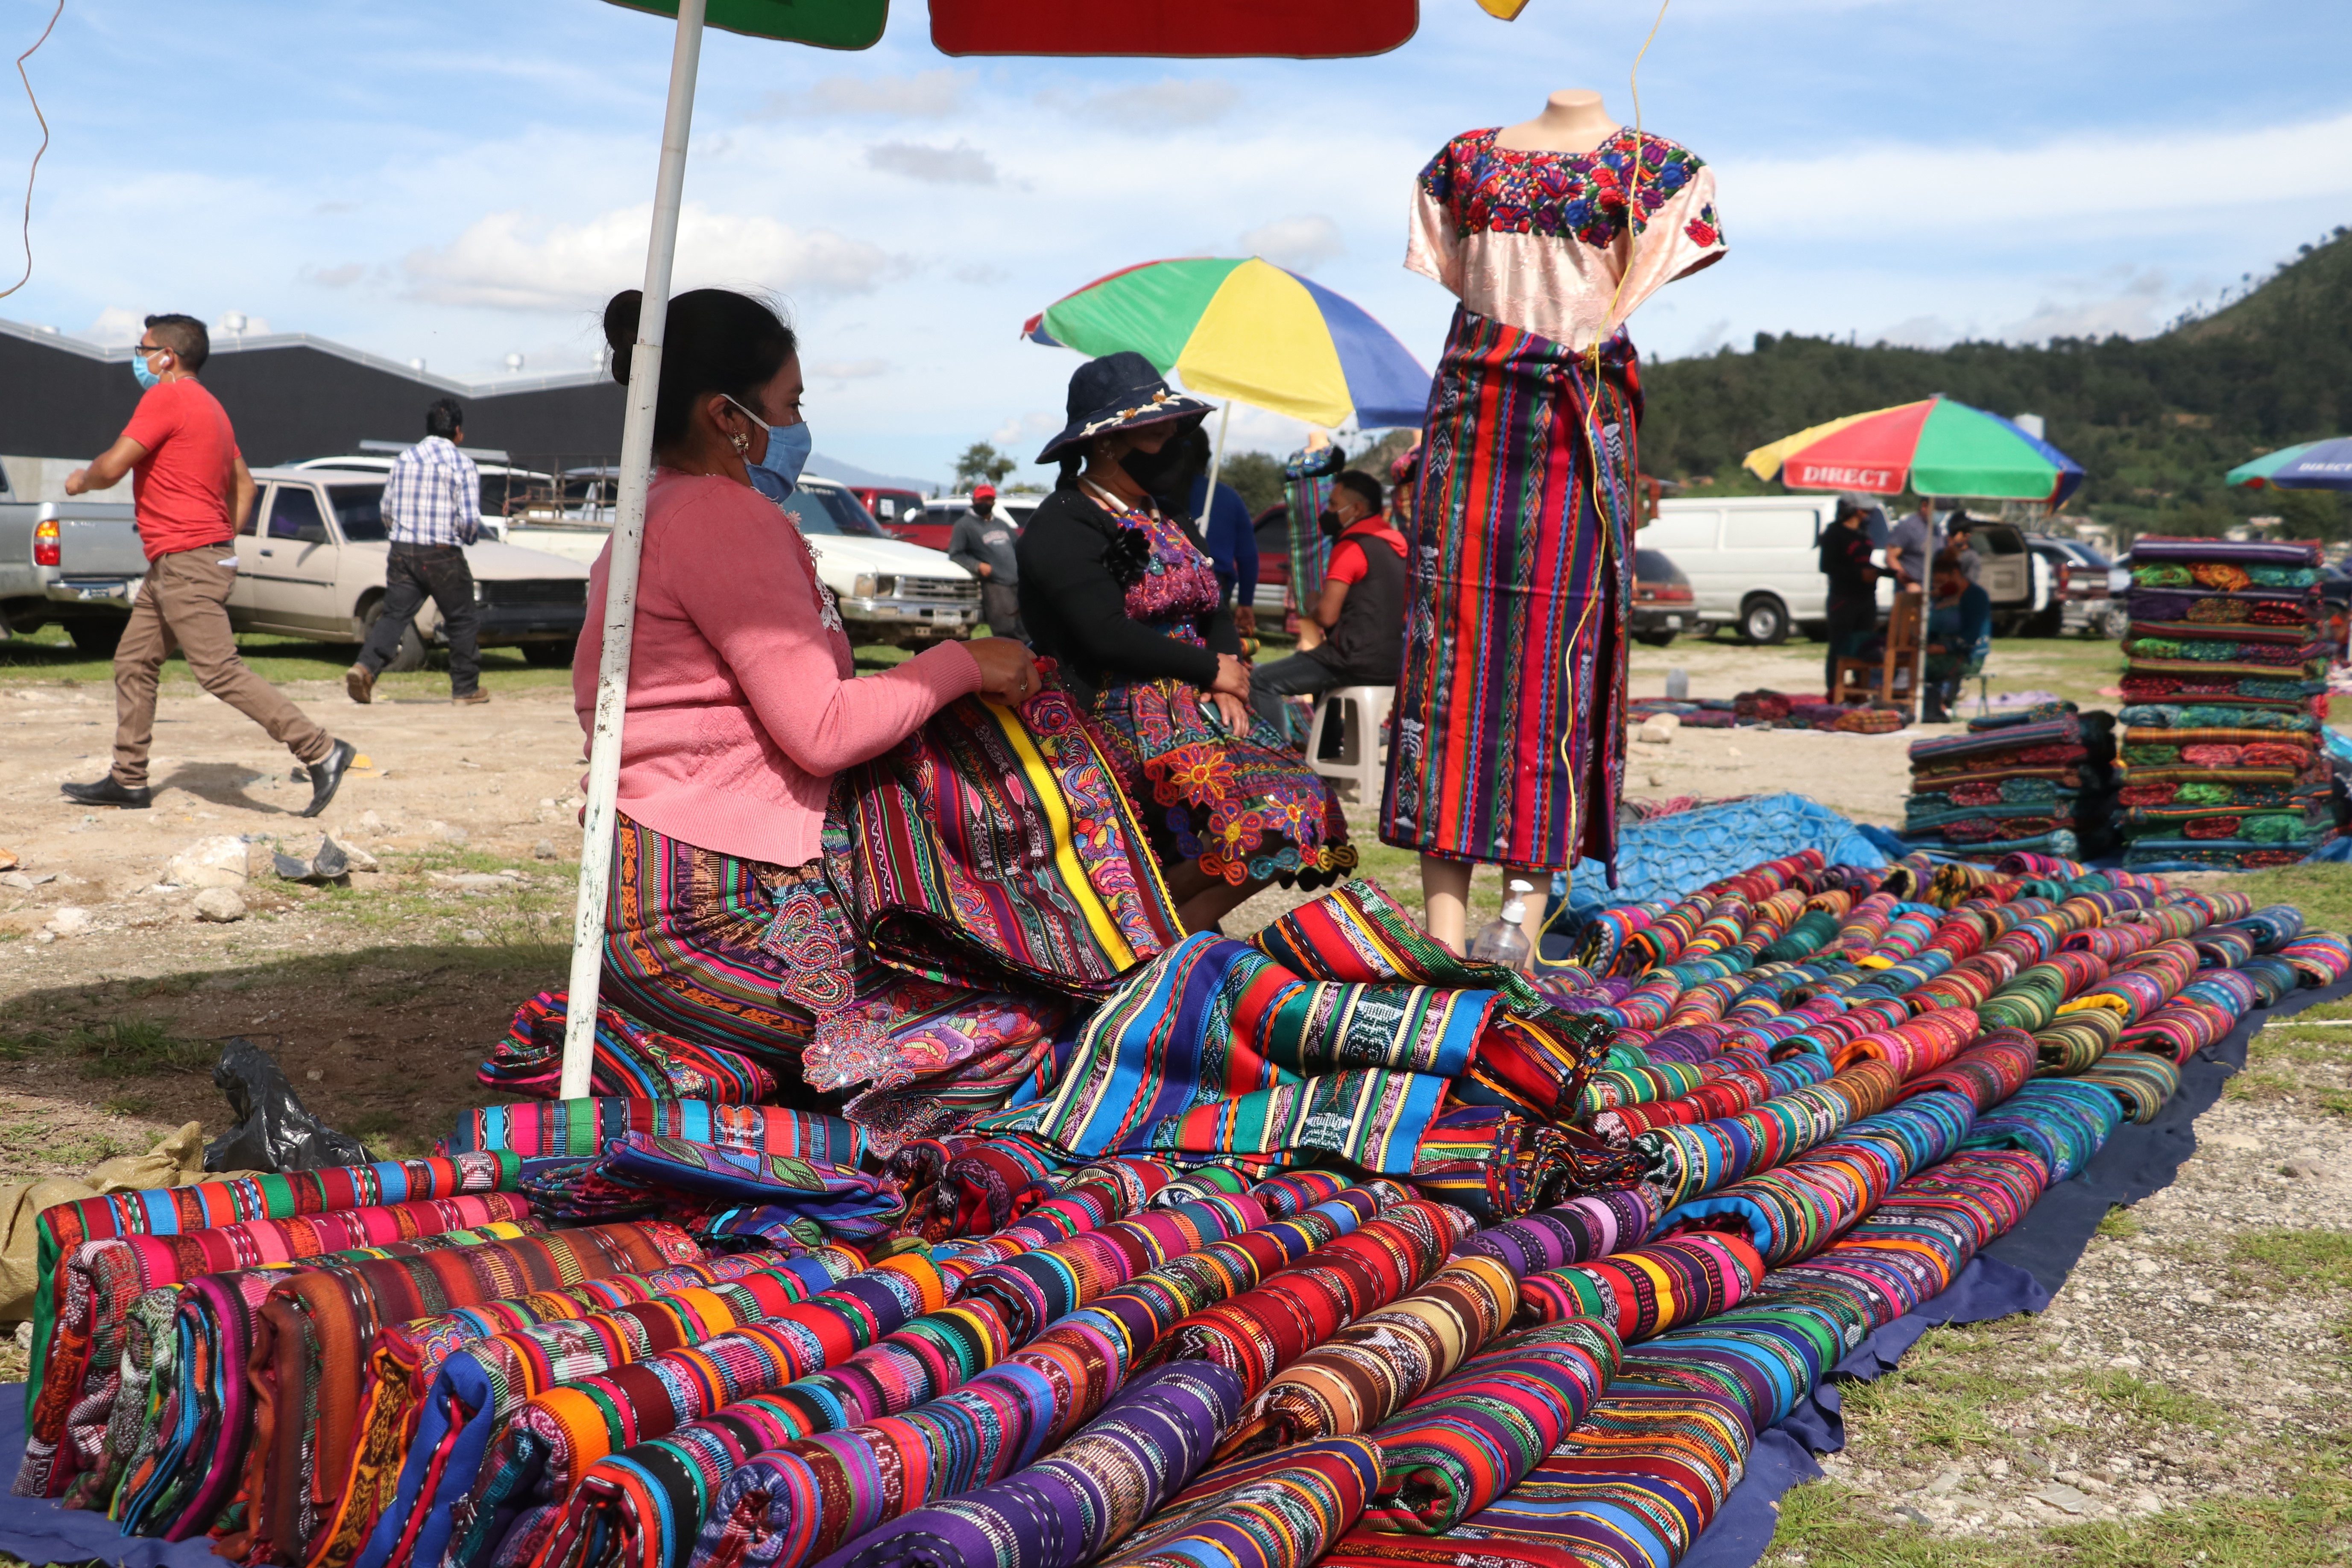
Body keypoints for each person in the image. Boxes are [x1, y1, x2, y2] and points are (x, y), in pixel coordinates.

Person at [580, 287, 1037, 1097]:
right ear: (729, 417)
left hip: (683, 892)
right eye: (788, 404)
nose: (795, 426)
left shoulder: (663, 511)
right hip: (707, 917)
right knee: (1004, 1035)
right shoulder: (724, 519)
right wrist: (962, 663)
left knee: (968, 1003)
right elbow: (821, 729)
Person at [1017, 352, 1356, 933]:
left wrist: (1223, 670)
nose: (1170, 436)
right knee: (1265, 814)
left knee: (1302, 811)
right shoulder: (1064, 520)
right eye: (1152, 427)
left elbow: (1211, 603)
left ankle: (1167, 937)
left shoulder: (1164, 514)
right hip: (1109, 715)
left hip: (1191, 705)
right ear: (1106, 442)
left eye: (1170, 424)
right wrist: (1209, 670)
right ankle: (1148, 940)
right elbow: (1101, 634)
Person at [58, 314, 354, 815]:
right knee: (134, 661)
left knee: (218, 671)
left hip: (187, 560)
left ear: (166, 357)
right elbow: (247, 486)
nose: (139, 357)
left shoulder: (166, 397)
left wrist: (80, 482)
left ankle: (321, 749)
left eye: (143, 349)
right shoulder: (213, 408)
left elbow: (111, 468)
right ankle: (128, 780)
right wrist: (219, 542)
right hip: (182, 560)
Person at [346, 397, 488, 705]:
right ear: (459, 432)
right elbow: (468, 519)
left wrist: (399, 535)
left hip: (402, 550)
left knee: (395, 615)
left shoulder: (405, 459)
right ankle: (465, 689)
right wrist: (467, 538)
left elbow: (386, 509)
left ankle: (365, 667)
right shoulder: (462, 464)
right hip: (442, 552)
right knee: (461, 619)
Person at [1248, 469, 1406, 737]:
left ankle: (1279, 763)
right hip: (1397, 663)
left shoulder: (1351, 546)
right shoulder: (1398, 543)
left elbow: (1327, 617)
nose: (1329, 512)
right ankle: (1331, 752)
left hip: (1353, 661)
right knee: (1320, 676)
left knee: (1260, 680)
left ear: (1356, 508)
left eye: (1334, 504)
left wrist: (1313, 603)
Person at [1163, 427, 1258, 635]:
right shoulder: (1229, 499)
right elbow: (1248, 557)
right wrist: (1246, 602)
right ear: (1206, 457)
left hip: (1159, 587)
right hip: (1215, 591)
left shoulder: (1153, 497)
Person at [1819, 499, 1882, 701]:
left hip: (1866, 597)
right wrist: (1858, 575)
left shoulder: (1864, 532)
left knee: (1864, 644)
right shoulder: (1835, 533)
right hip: (1843, 597)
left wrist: (1891, 573)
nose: (1869, 513)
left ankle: (1859, 692)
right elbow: (1827, 566)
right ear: (1855, 510)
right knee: (1840, 646)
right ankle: (1834, 691)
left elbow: (1865, 562)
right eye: (1865, 509)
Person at [946, 482, 1024, 640]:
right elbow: (956, 553)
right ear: (974, 501)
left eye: (988, 500)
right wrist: (977, 565)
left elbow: (1019, 547)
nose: (985, 503)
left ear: (994, 502)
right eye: (981, 500)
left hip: (1017, 582)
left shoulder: (1001, 524)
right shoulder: (964, 525)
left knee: (1024, 629)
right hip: (995, 583)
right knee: (1006, 630)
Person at [1883, 496, 1942, 594]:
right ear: (1924, 506)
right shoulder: (1909, 527)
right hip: (1911, 591)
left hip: (1932, 590)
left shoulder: (1937, 530)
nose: (1940, 514)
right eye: (1938, 509)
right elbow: (1891, 557)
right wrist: (1909, 583)